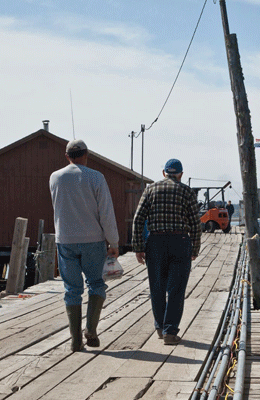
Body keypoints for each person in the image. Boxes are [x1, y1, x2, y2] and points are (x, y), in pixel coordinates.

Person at [50, 139, 119, 352]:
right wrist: (113, 242)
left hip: (66, 240)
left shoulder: (55, 177)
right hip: (93, 240)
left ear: (67, 155)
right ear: (86, 154)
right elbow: (106, 212)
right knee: (96, 284)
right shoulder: (96, 178)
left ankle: (75, 341)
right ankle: (91, 330)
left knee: (72, 289)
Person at [132, 158, 201, 345]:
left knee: (157, 287)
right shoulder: (186, 191)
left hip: (155, 242)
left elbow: (138, 219)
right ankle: (171, 331)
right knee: (176, 289)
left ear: (164, 173)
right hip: (180, 241)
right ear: (181, 174)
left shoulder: (150, 189)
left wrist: (138, 247)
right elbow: (195, 223)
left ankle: (160, 327)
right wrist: (194, 249)